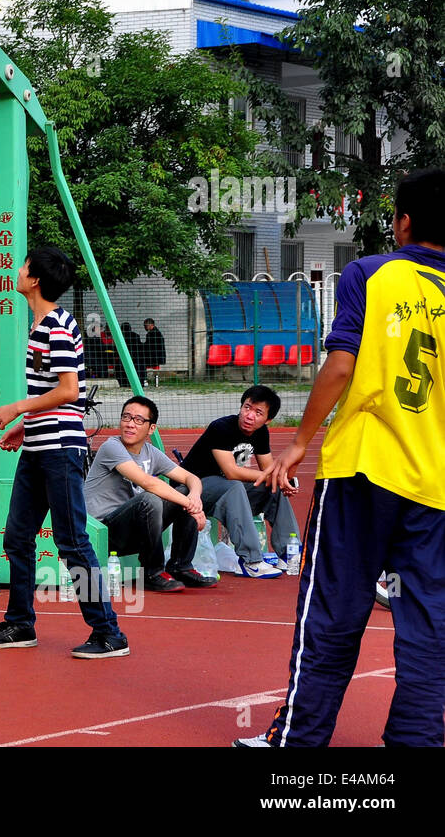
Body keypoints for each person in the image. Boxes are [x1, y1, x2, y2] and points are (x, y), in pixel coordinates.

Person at [237, 168, 445, 748]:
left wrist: (301, 441)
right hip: (434, 486)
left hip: (363, 471)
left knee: (334, 609)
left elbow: (344, 363)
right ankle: (417, 741)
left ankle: (298, 742)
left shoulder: (371, 272)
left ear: (402, 221)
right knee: (428, 624)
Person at [0, 246, 129, 658]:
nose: (18, 271)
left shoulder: (57, 326)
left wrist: (17, 409)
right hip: (39, 446)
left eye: (23, 267)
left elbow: (69, 390)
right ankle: (20, 624)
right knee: (18, 537)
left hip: (60, 450)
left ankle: (108, 632)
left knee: (72, 542)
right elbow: (55, 394)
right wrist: (25, 428)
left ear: (36, 280)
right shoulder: (41, 324)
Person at [83, 395, 215, 593]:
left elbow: (191, 478)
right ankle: (152, 572)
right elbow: (148, 483)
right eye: (126, 417)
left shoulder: (150, 452)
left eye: (138, 420)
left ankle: (181, 565)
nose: (130, 424)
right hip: (106, 531)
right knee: (149, 498)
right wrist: (190, 505)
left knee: (186, 491)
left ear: (151, 428)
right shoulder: (112, 447)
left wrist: (194, 499)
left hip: (135, 529)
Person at [180, 385, 298, 578]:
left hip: (224, 490)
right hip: (193, 489)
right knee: (235, 486)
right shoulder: (222, 427)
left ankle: (289, 554)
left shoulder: (261, 433)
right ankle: (251, 560)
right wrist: (272, 476)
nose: (249, 415)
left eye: (258, 412)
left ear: (267, 420)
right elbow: (231, 472)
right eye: (247, 407)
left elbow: (267, 470)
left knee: (272, 488)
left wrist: (282, 481)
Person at [119, 321, 145, 388]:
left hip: (125, 356)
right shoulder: (136, 336)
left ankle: (125, 383)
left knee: (124, 370)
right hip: (135, 357)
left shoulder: (121, 336)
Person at [142, 318, 166, 384]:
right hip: (157, 355)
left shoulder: (151, 334)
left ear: (150, 325)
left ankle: (146, 381)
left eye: (145, 325)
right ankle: (156, 383)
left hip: (153, 355)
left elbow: (148, 345)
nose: (145, 327)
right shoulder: (157, 332)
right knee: (156, 369)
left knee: (145, 367)